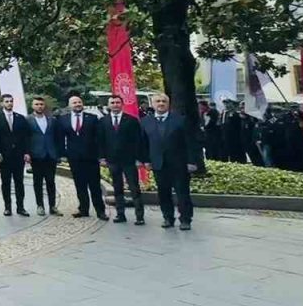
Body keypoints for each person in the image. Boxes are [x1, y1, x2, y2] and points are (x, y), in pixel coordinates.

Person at [140, 93, 199, 230]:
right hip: (158, 164)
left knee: (182, 193)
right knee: (163, 193)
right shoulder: (145, 121)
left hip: (179, 164)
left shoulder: (180, 120)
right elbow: (143, 143)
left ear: (168, 104)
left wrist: (191, 161)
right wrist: (146, 161)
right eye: (157, 101)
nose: (161, 103)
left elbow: (190, 142)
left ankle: (185, 219)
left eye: (164, 101)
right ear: (153, 104)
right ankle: (168, 218)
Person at [99, 94, 144, 224]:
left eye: (117, 102)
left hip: (129, 160)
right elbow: (101, 141)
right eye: (112, 103)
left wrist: (139, 158)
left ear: (122, 104)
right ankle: (120, 214)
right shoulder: (103, 121)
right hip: (112, 160)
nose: (115, 105)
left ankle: (139, 216)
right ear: (109, 105)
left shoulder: (132, 120)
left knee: (134, 188)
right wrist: (102, 158)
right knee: (118, 188)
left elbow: (138, 140)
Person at [60, 94, 105, 219]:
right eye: (74, 103)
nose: (77, 104)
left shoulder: (92, 118)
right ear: (70, 106)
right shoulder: (63, 119)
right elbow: (60, 138)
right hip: (74, 158)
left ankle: (100, 211)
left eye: (79, 102)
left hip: (91, 157)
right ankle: (83, 209)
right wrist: (63, 154)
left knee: (95, 186)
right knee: (80, 185)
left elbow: (99, 138)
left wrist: (101, 155)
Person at [0, 94, 30, 217]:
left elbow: (26, 137)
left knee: (19, 181)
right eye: (7, 101)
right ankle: (7, 207)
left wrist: (27, 152)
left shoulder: (20, 118)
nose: (9, 103)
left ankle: (20, 207)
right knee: (6, 182)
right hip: (4, 155)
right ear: (2, 103)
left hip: (18, 155)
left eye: (11, 101)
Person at [27, 96, 61, 216]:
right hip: (36, 155)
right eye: (37, 104)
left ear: (44, 106)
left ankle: (52, 206)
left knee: (51, 182)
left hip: (50, 154)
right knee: (38, 182)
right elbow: (25, 138)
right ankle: (40, 205)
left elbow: (57, 138)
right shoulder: (28, 120)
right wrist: (27, 153)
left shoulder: (52, 120)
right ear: (32, 106)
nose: (39, 106)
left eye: (41, 104)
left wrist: (58, 153)